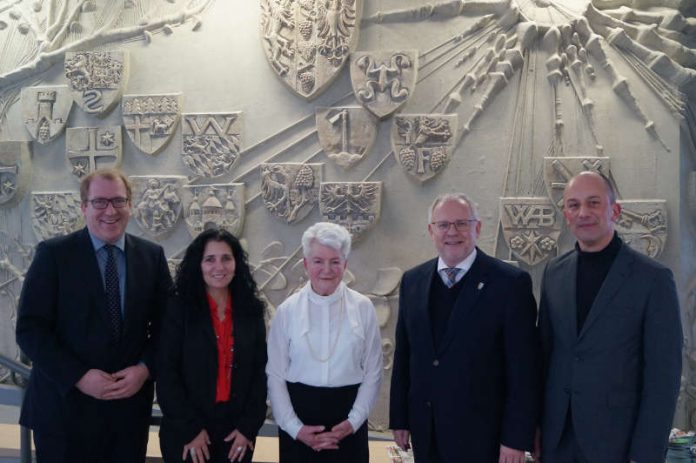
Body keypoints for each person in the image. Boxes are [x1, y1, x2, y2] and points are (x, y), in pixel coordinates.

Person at [16, 168, 172, 462]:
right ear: (83, 207)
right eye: (99, 202)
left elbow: (168, 327)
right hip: (64, 413)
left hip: (126, 416)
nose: (109, 211)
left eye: (118, 201)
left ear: (130, 205)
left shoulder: (152, 256)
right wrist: (78, 377)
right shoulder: (53, 255)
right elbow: (30, 329)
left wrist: (144, 369)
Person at [538, 171, 682, 463]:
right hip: (557, 443)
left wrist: (646, 454)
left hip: (619, 445)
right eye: (574, 205)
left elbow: (662, 378)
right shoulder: (553, 273)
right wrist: (538, 429)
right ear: (565, 214)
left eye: (593, 203)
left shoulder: (653, 279)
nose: (583, 213)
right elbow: (544, 358)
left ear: (614, 210)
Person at [389, 192, 541, 463]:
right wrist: (399, 417)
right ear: (431, 231)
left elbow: (524, 370)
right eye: (443, 225)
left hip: (486, 438)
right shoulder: (413, 281)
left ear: (477, 228)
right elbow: (404, 356)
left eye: (462, 223)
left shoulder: (509, 284)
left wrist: (516, 438)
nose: (452, 232)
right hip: (428, 433)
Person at [267, 222, 383, 463]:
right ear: (306, 264)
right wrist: (294, 427)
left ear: (345, 264)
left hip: (348, 422)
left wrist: (353, 422)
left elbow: (373, 372)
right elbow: (275, 376)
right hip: (299, 423)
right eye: (318, 261)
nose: (327, 270)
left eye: (335, 261)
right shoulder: (287, 311)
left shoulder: (363, 308)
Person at [157, 228, 267, 463]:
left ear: (237, 262)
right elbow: (166, 374)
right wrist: (190, 430)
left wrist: (248, 427)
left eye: (226, 258)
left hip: (236, 434)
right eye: (210, 259)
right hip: (188, 433)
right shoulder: (177, 309)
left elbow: (260, 372)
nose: (219, 267)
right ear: (198, 264)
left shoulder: (251, 310)